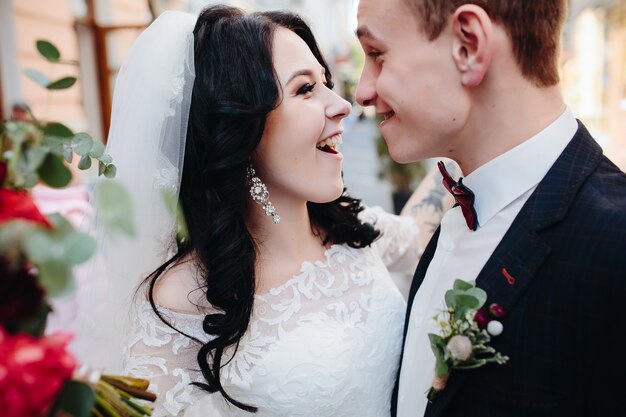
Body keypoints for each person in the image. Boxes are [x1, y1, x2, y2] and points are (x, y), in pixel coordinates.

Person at [78, 6, 452, 417]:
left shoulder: (354, 231)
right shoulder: (181, 299)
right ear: (240, 129)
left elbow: (422, 231)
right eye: (306, 89)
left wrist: (460, 140)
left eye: (326, 83)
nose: (343, 104)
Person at [355, 0, 626, 416]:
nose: (362, 92)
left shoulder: (613, 245)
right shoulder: (457, 207)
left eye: (376, 54)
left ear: (468, 46)